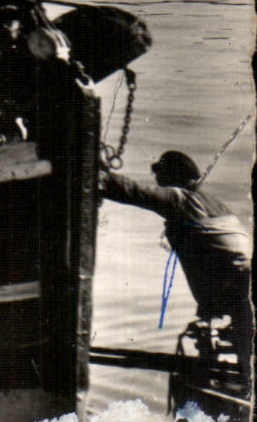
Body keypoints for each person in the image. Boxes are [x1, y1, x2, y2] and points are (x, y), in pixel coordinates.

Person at [103, 151, 252, 368]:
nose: (157, 183)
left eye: (160, 176)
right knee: (242, 341)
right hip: (240, 279)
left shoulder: (179, 198)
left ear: (171, 176)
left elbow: (135, 192)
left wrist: (98, 175)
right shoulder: (215, 204)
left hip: (231, 283)